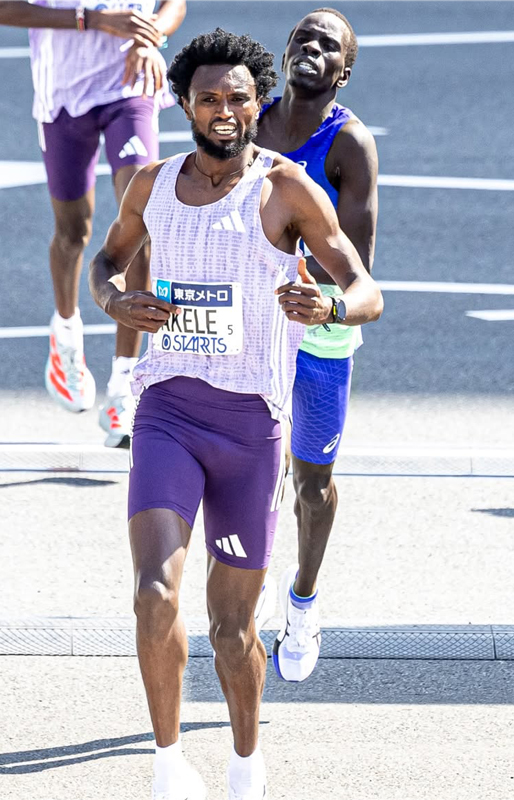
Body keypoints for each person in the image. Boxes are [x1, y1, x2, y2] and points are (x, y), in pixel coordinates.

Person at [87, 29, 381, 800]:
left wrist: (330, 303)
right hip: (167, 414)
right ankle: (166, 764)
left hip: (251, 427)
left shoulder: (287, 190)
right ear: (184, 103)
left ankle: (246, 762)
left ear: (259, 103)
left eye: (239, 98)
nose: (224, 111)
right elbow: (103, 261)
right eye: (209, 98)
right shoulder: (150, 184)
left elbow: (369, 290)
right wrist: (116, 299)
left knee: (230, 631)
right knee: (154, 592)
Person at [0, 0, 186, 447]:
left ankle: (126, 383)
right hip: (62, 96)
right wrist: (90, 20)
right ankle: (66, 335)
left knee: (142, 224)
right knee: (74, 231)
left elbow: (175, 4)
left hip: (128, 88)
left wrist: (151, 33)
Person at [254, 7, 378, 683]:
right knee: (247, 468)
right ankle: (241, 601)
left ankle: (302, 598)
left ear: (343, 70)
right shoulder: (248, 122)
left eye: (326, 44)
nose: (311, 47)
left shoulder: (349, 145)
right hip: (252, 326)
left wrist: (315, 289)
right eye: (302, 36)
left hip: (320, 335)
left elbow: (357, 270)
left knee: (312, 484)